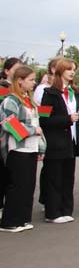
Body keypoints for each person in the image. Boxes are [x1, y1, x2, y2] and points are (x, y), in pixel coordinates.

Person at [39, 58, 79, 223]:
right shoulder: (49, 93)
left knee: (68, 177)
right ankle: (52, 212)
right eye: (69, 69)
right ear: (60, 72)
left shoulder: (75, 93)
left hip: (71, 142)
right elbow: (44, 120)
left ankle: (66, 209)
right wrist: (66, 119)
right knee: (54, 177)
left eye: (74, 69)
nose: (72, 72)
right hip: (56, 142)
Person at [0, 66, 45, 232]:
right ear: (20, 81)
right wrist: (33, 131)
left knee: (28, 185)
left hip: (31, 148)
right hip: (17, 149)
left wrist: (41, 147)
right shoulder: (10, 100)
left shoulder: (29, 101)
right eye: (31, 80)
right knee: (17, 185)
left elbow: (36, 123)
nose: (34, 83)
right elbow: (9, 124)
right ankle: (9, 221)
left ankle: (23, 218)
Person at [0, 57, 21, 214]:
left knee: (12, 174)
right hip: (5, 136)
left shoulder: (21, 91)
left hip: (18, 139)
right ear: (7, 71)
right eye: (16, 68)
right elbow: (6, 117)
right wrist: (22, 133)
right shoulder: (3, 89)